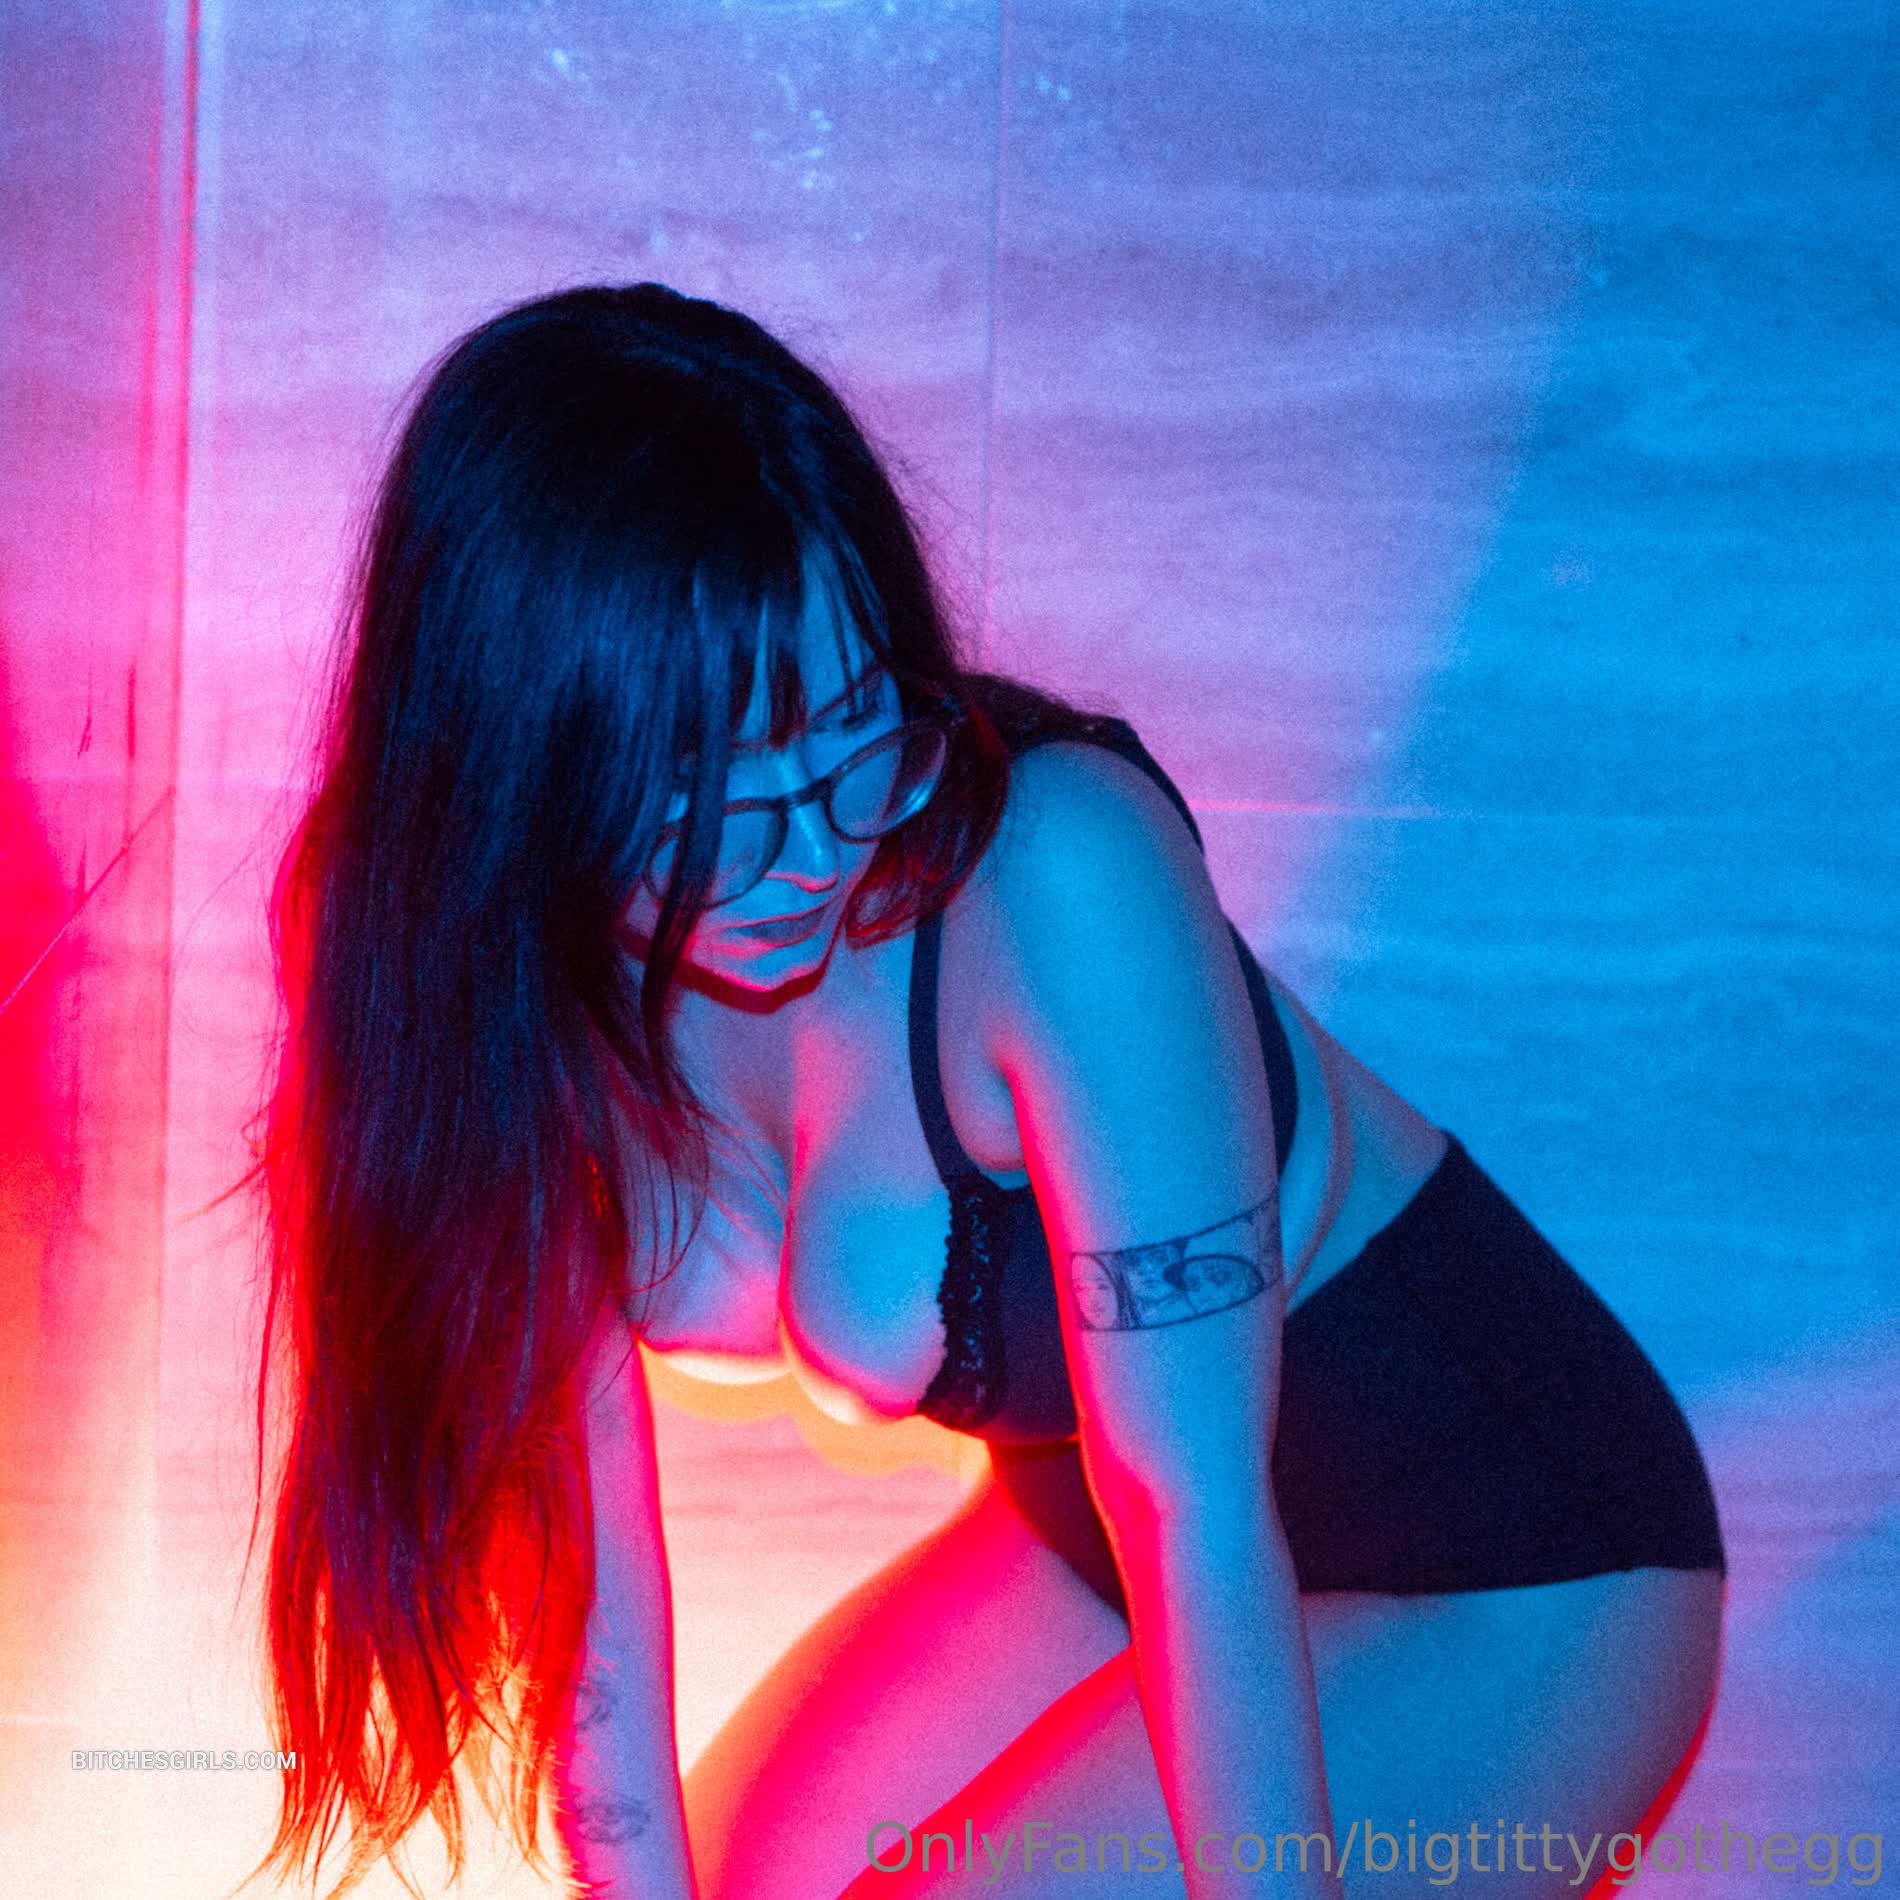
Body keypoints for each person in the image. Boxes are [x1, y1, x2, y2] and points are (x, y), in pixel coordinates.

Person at [235, 282, 1726, 1900]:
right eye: (712, 803)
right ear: (523, 769)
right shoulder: (454, 979)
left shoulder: (1053, 872)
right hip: (1089, 1541)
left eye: (852, 736)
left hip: (1514, 1563)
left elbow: (1196, 1509)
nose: (812, 856)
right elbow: (593, 1601)